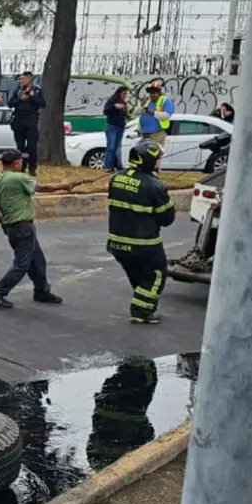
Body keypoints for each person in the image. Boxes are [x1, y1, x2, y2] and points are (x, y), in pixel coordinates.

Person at [0, 150, 85, 310]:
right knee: (22, 264)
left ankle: (41, 291)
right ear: (16, 163)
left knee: (37, 260)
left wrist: (2, 221)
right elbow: (43, 188)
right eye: (20, 161)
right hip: (24, 226)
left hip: (12, 227)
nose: (22, 164)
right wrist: (63, 186)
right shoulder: (19, 178)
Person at [107, 139, 176, 325]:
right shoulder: (155, 186)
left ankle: (140, 308)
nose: (159, 163)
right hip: (144, 245)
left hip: (117, 244)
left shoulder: (116, 178)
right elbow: (167, 219)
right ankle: (142, 312)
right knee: (156, 276)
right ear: (149, 160)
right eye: (157, 159)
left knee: (139, 277)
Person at [8, 71, 46, 176]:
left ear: (29, 79)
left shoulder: (37, 90)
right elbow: (10, 104)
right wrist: (21, 99)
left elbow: (42, 103)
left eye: (23, 79)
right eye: (20, 79)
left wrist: (31, 98)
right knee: (20, 146)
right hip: (19, 120)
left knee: (32, 146)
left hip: (31, 120)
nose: (20, 81)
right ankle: (21, 167)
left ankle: (32, 168)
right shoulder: (18, 90)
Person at [102, 86, 132, 171]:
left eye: (126, 94)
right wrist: (115, 107)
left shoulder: (124, 103)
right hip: (112, 127)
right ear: (119, 93)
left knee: (117, 147)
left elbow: (125, 115)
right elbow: (105, 111)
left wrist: (129, 115)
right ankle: (107, 166)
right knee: (111, 147)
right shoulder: (112, 101)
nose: (125, 96)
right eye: (124, 94)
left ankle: (114, 166)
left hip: (120, 127)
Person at [138, 80, 174, 146]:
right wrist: (140, 106)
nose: (152, 95)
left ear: (159, 92)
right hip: (144, 133)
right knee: (144, 155)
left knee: (154, 155)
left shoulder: (165, 100)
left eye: (154, 93)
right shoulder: (148, 101)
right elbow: (137, 113)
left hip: (157, 133)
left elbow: (167, 115)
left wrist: (154, 113)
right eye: (150, 93)